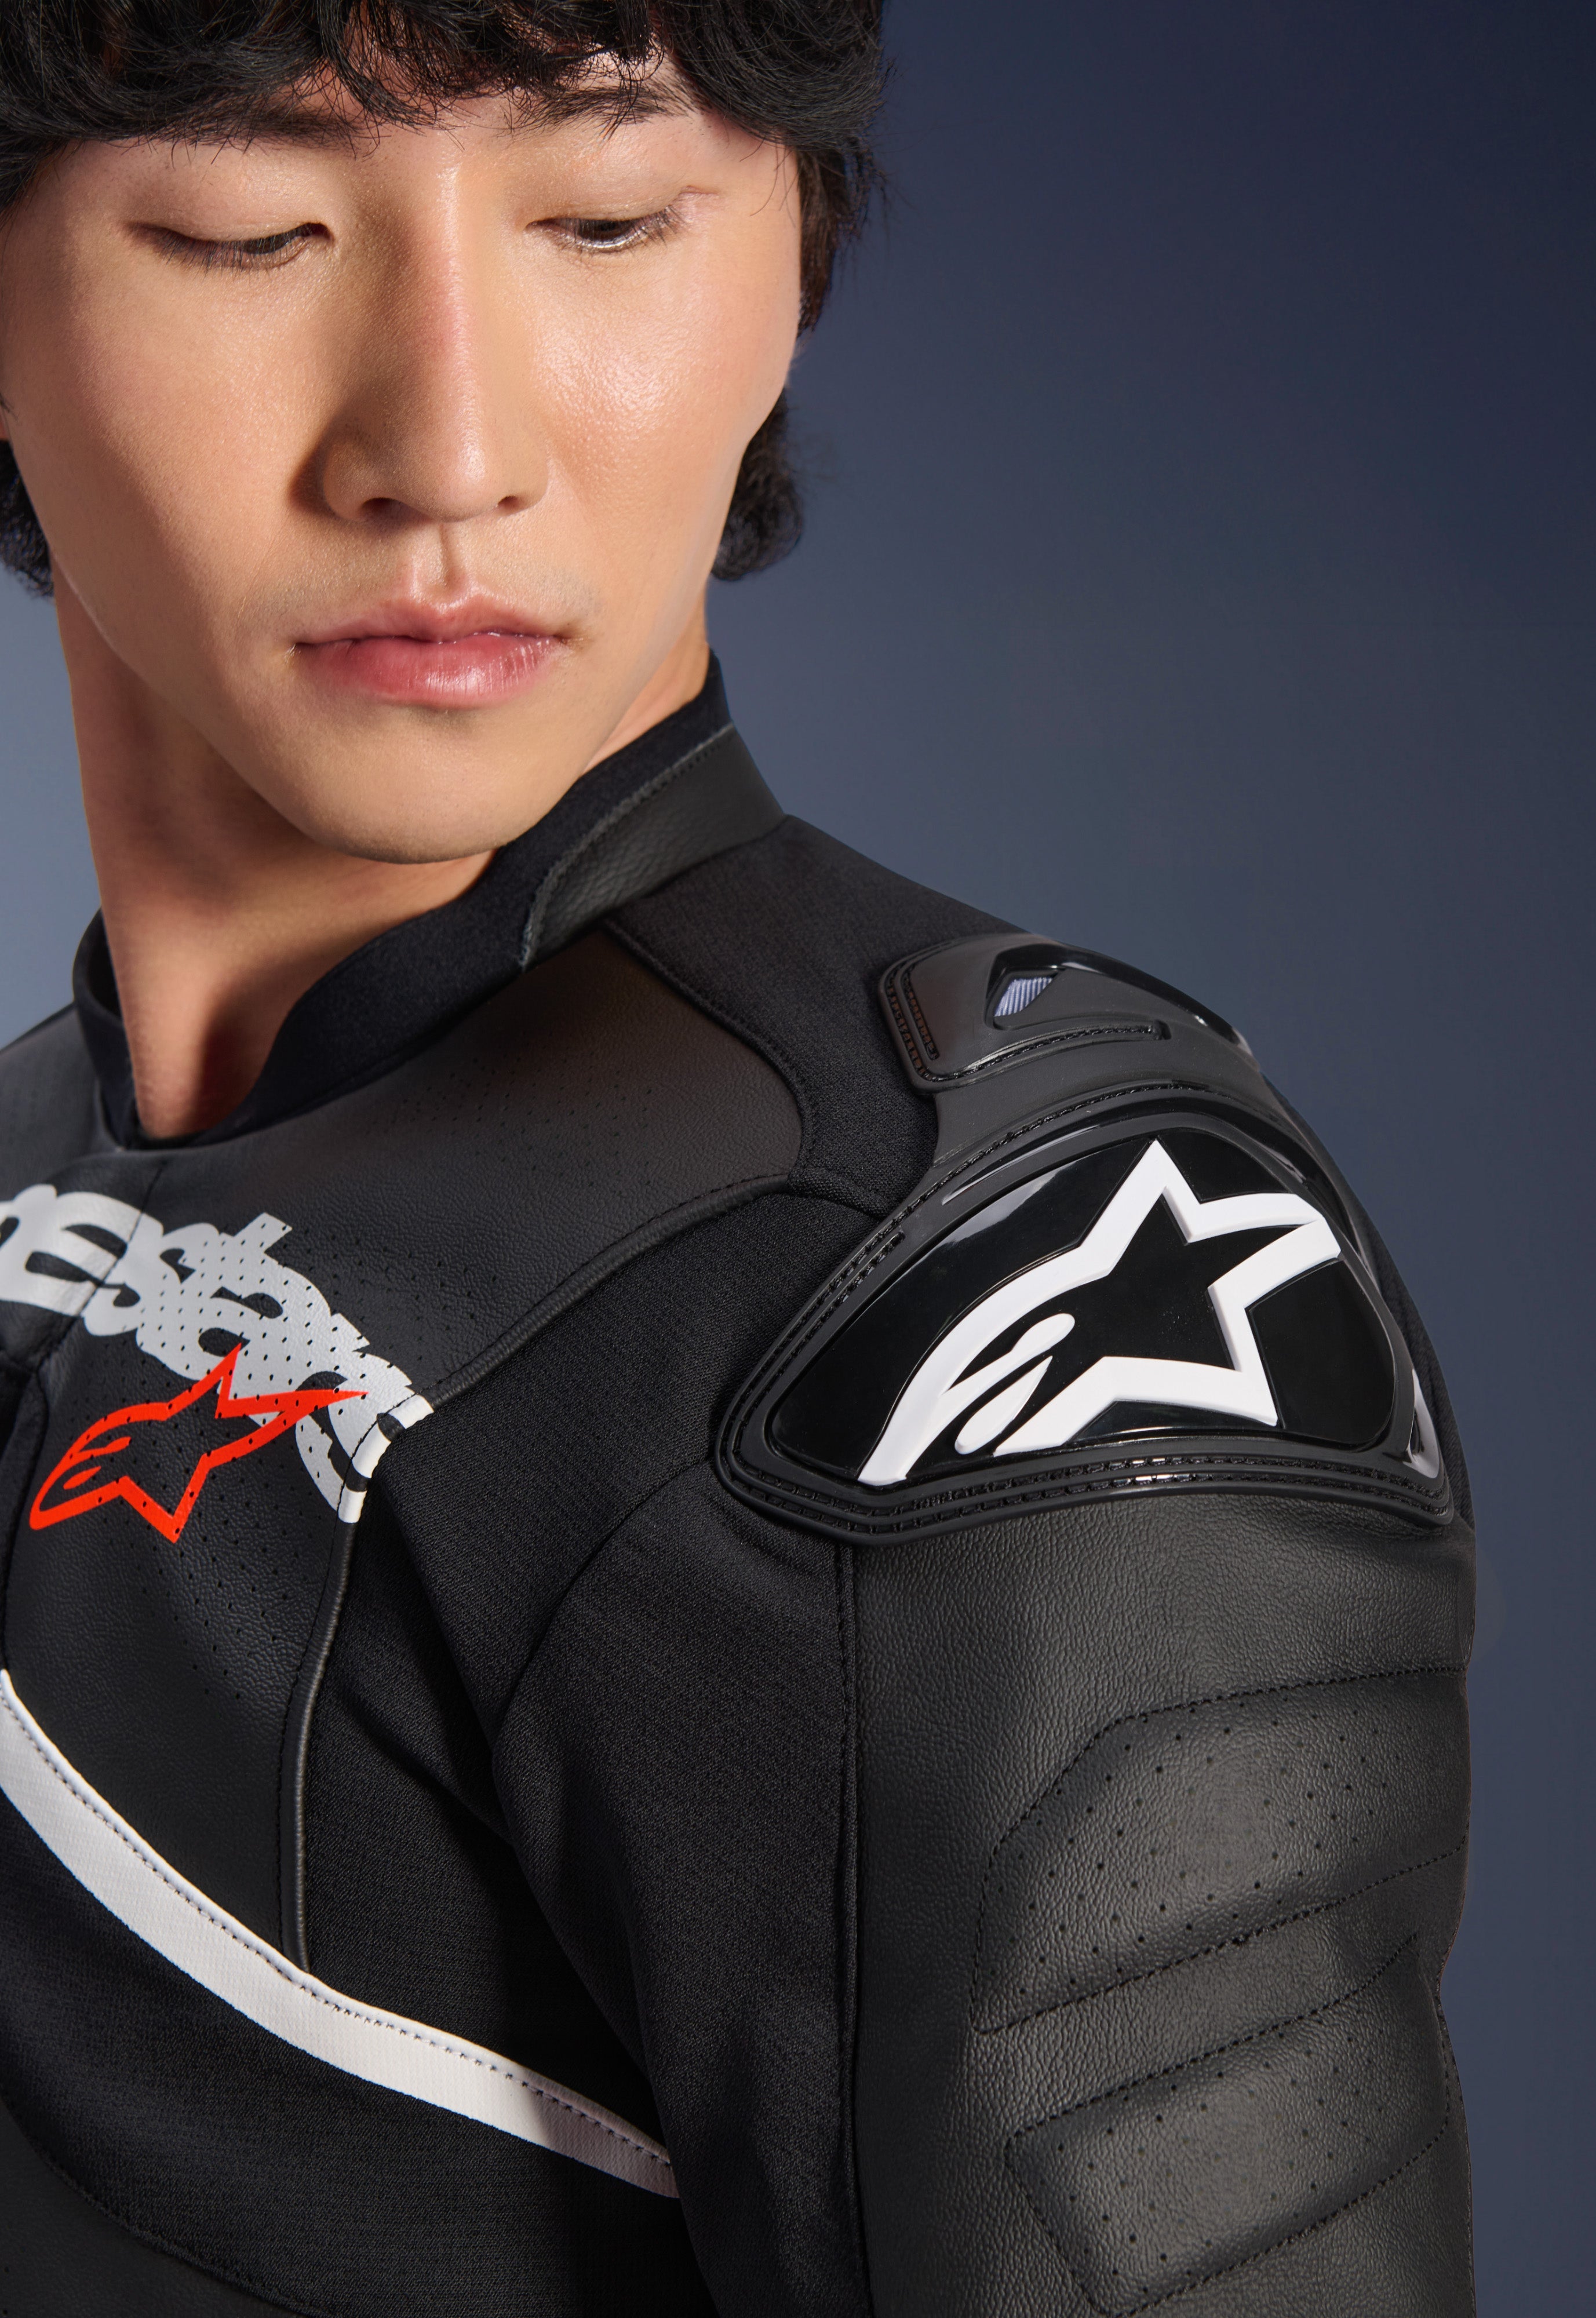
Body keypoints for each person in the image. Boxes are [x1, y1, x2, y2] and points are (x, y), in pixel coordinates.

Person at [0, 5, 1477, 2311]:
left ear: (790, 262)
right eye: (249, 233)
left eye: (608, 220)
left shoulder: (973, 1281)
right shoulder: (39, 1156)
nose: (450, 450)